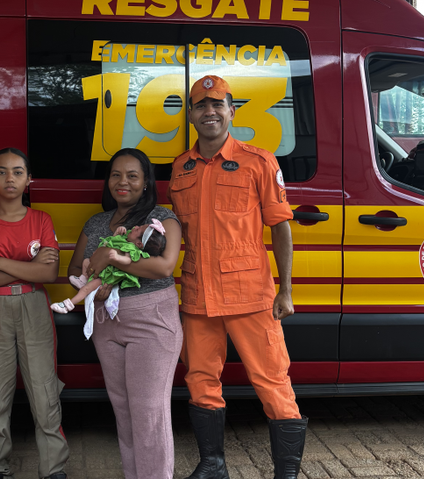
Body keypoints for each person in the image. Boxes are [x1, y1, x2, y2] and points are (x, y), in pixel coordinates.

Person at [168, 75, 307, 479]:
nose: (209, 112)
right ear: (191, 114)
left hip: (249, 294)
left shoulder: (258, 161)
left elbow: (281, 226)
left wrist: (286, 290)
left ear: (231, 110)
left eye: (217, 104)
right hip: (197, 293)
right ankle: (213, 465)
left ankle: (286, 473)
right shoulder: (182, 167)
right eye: (201, 105)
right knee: (200, 380)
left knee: (272, 381)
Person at [64, 148, 183, 479]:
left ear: (146, 182)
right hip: (106, 323)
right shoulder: (98, 221)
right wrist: (93, 282)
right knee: (124, 410)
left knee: (148, 412)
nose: (123, 182)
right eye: (116, 174)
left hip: (151, 321)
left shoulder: (161, 219)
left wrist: (114, 261)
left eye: (133, 175)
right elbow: (75, 267)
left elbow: (164, 266)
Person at [0, 148, 69, 479]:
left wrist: (2, 263)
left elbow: (49, 275)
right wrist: (29, 268)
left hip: (33, 305)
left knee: (43, 389)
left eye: (18, 172)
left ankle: (53, 468)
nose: (10, 178)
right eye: (2, 171)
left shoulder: (41, 219)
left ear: (29, 179)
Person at [50, 219, 167, 314]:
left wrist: (116, 258)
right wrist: (117, 233)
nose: (135, 226)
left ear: (139, 244)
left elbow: (127, 260)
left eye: (138, 230)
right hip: (100, 269)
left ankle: (67, 305)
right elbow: (111, 240)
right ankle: (83, 279)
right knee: (86, 261)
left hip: (107, 276)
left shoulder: (132, 249)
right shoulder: (125, 240)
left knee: (86, 290)